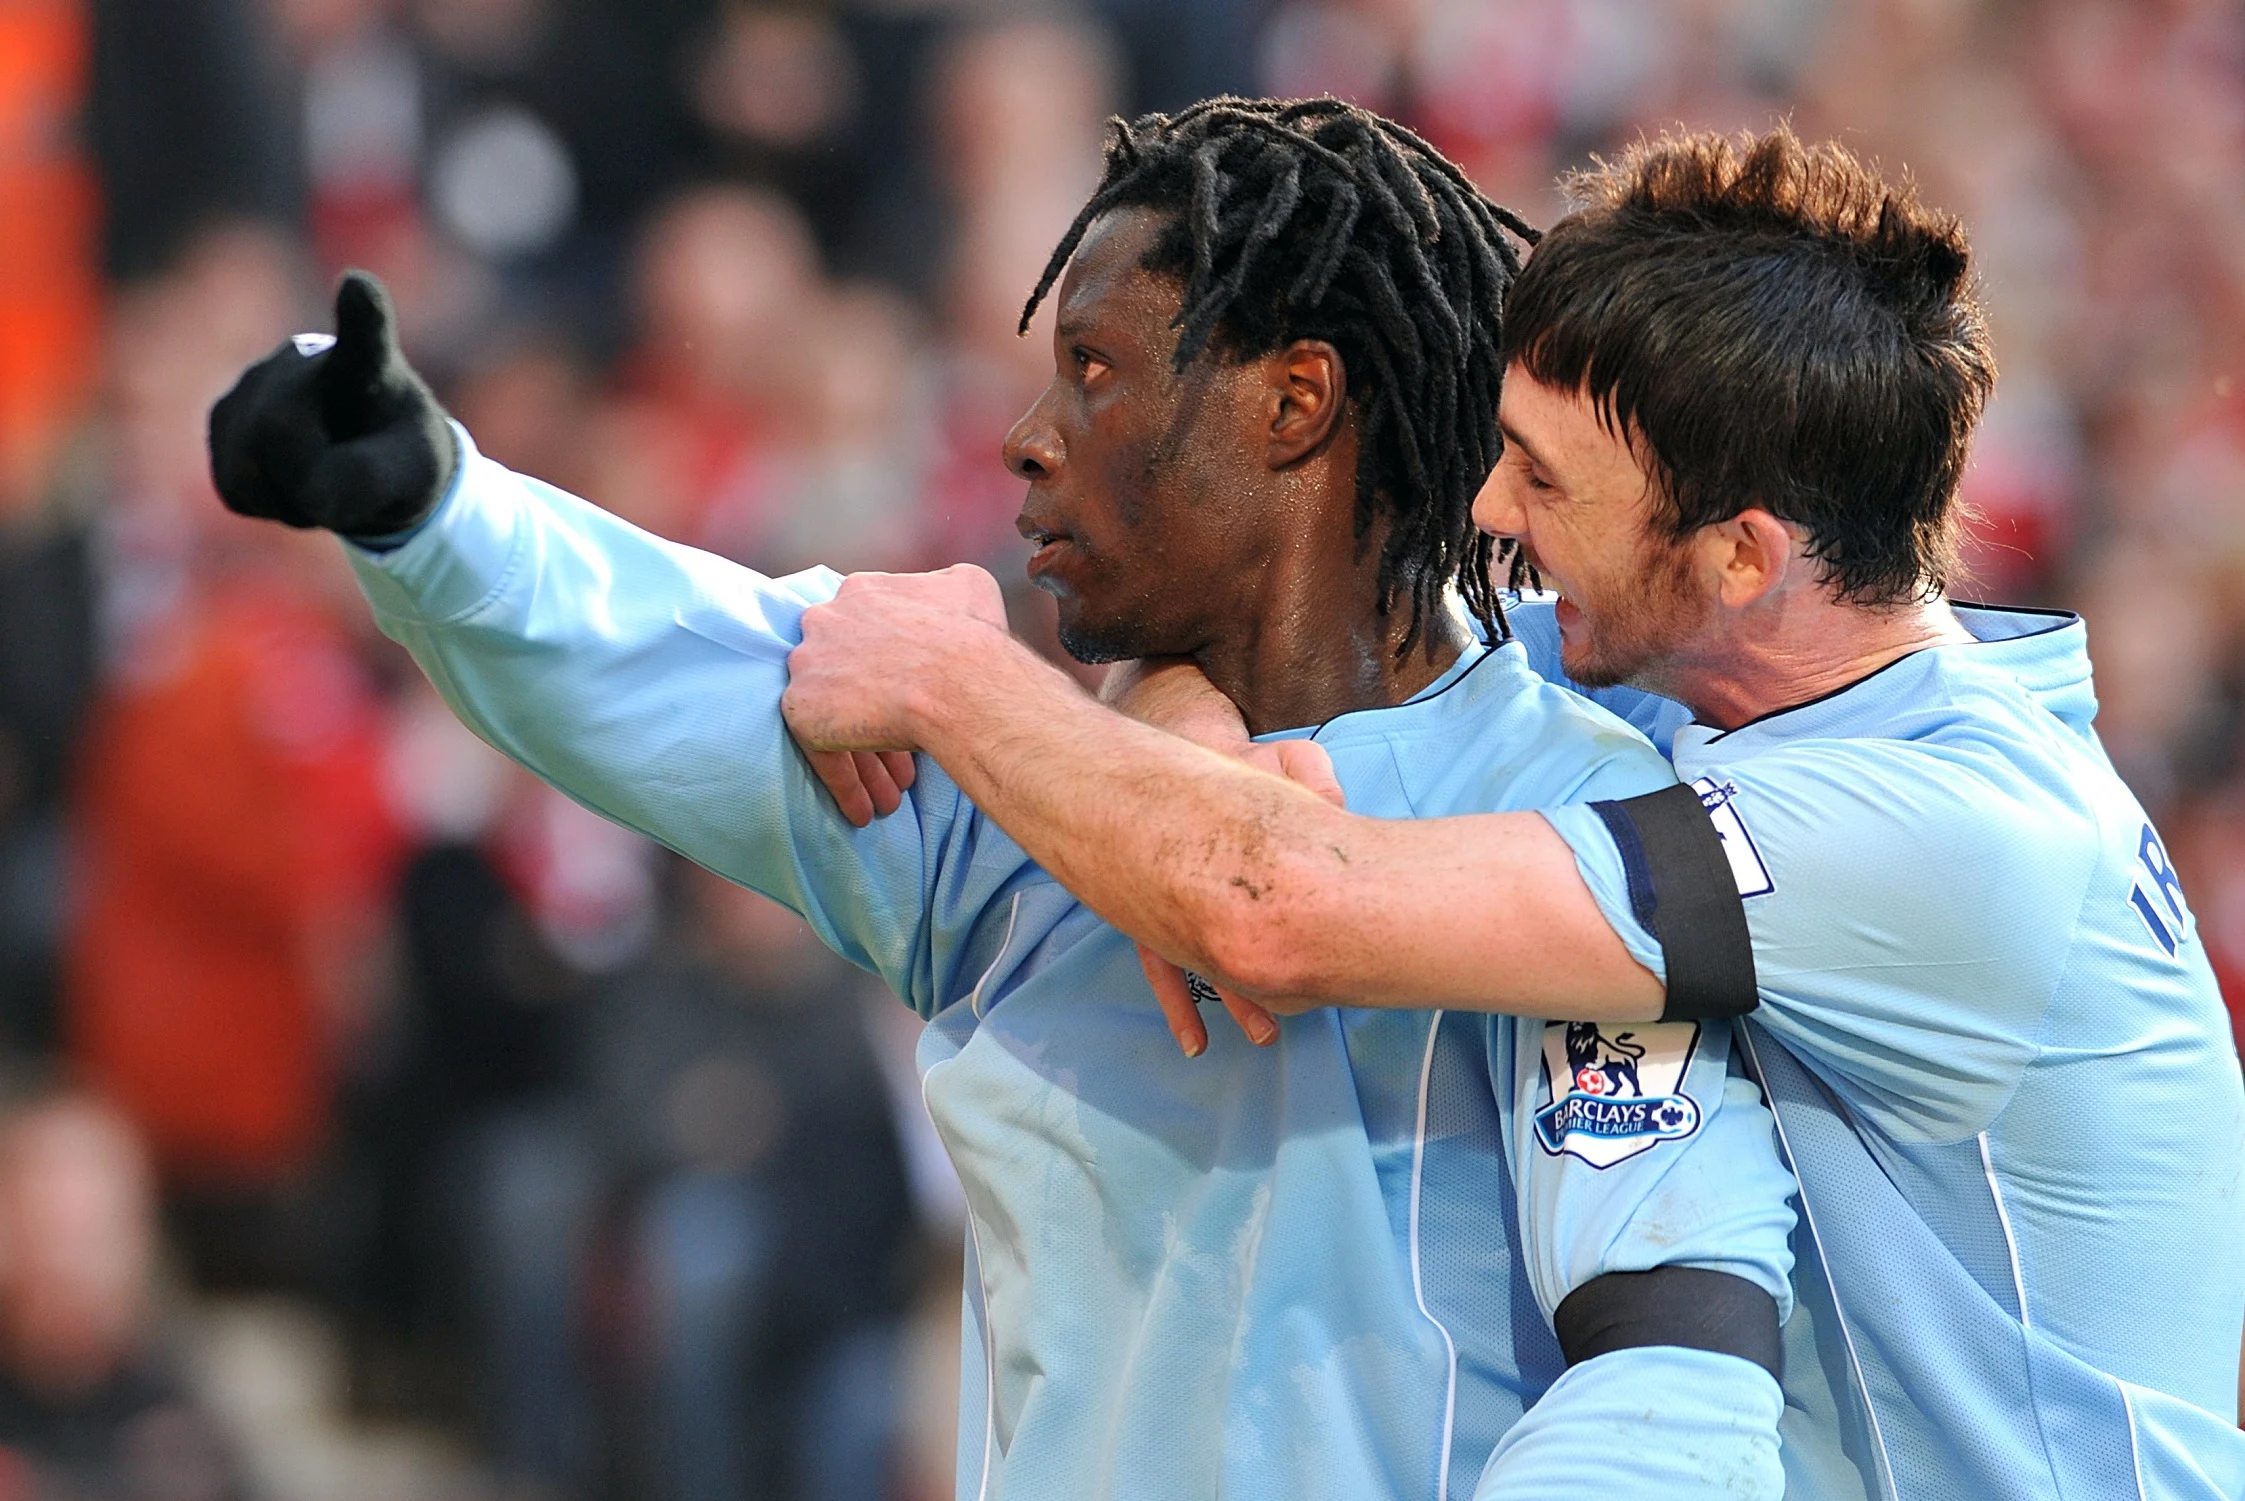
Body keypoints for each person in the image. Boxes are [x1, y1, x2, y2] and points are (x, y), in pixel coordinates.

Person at [206, 101, 1806, 1499]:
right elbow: (676, 656)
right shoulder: (993, 778)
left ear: (1295, 402)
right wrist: (428, 503)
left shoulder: (1580, 824)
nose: (1026, 441)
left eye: (1095, 372)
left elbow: (1672, 1362)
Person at [779, 127, 2245, 1497]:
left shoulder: (1946, 834)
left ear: (1741, 557)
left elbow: (1278, 908)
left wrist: (952, 684)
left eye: (1546, 478)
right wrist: (1175, 705)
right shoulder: (1712, 673)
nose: (1487, 511)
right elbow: (1305, 661)